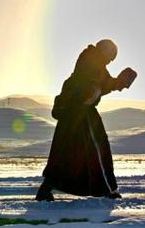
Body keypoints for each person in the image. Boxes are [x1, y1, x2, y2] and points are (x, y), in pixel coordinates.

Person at [36, 39, 137, 201]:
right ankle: (107, 189)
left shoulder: (92, 62)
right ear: (106, 51)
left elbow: (102, 85)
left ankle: (46, 188)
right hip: (82, 115)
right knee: (97, 148)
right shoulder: (92, 61)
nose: (110, 61)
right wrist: (114, 84)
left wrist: (118, 83)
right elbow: (96, 85)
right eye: (111, 57)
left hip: (73, 115)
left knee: (67, 153)